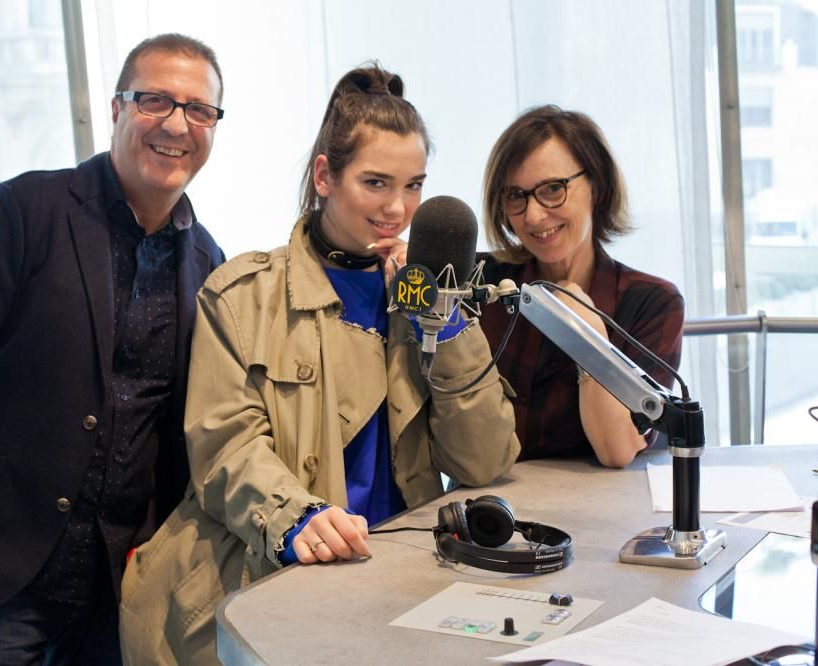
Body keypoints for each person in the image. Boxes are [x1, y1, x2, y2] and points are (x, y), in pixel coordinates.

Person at [118, 65, 520, 665]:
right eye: (376, 183)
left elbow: (483, 460)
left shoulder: (425, 301)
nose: (397, 208)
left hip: (396, 580)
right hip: (261, 581)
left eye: (413, 186)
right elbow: (224, 447)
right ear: (325, 176)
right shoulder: (243, 294)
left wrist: (446, 317)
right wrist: (296, 518)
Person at [0, 33, 226, 664]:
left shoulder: (207, 263)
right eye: (155, 100)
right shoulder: (19, 212)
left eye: (199, 110)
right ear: (117, 108)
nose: (177, 125)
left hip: (117, 591)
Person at [477, 105, 684, 468]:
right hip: (488, 500)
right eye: (515, 196)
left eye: (552, 189)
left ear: (597, 187)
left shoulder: (652, 303)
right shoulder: (481, 282)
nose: (533, 216)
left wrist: (589, 339)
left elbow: (617, 450)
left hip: (595, 501)